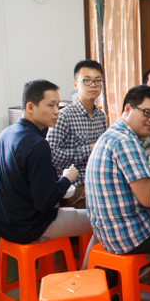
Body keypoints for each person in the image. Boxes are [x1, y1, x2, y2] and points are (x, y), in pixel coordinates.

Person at [0, 80, 93, 253]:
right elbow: (46, 202)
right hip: (29, 227)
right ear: (30, 107)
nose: (57, 111)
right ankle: (90, 268)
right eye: (51, 105)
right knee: (104, 220)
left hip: (4, 226)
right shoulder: (37, 145)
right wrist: (67, 179)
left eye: (58, 105)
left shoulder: (6, 133)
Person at [85, 85, 150, 255]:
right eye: (147, 113)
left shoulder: (113, 134)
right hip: (131, 236)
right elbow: (148, 198)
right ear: (128, 109)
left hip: (109, 233)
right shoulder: (125, 141)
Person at [47, 60, 108, 209]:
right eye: (87, 80)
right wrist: (90, 148)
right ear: (75, 84)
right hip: (76, 185)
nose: (93, 85)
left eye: (97, 81)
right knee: (113, 202)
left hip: (100, 179)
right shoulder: (64, 116)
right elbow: (51, 154)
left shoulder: (101, 116)